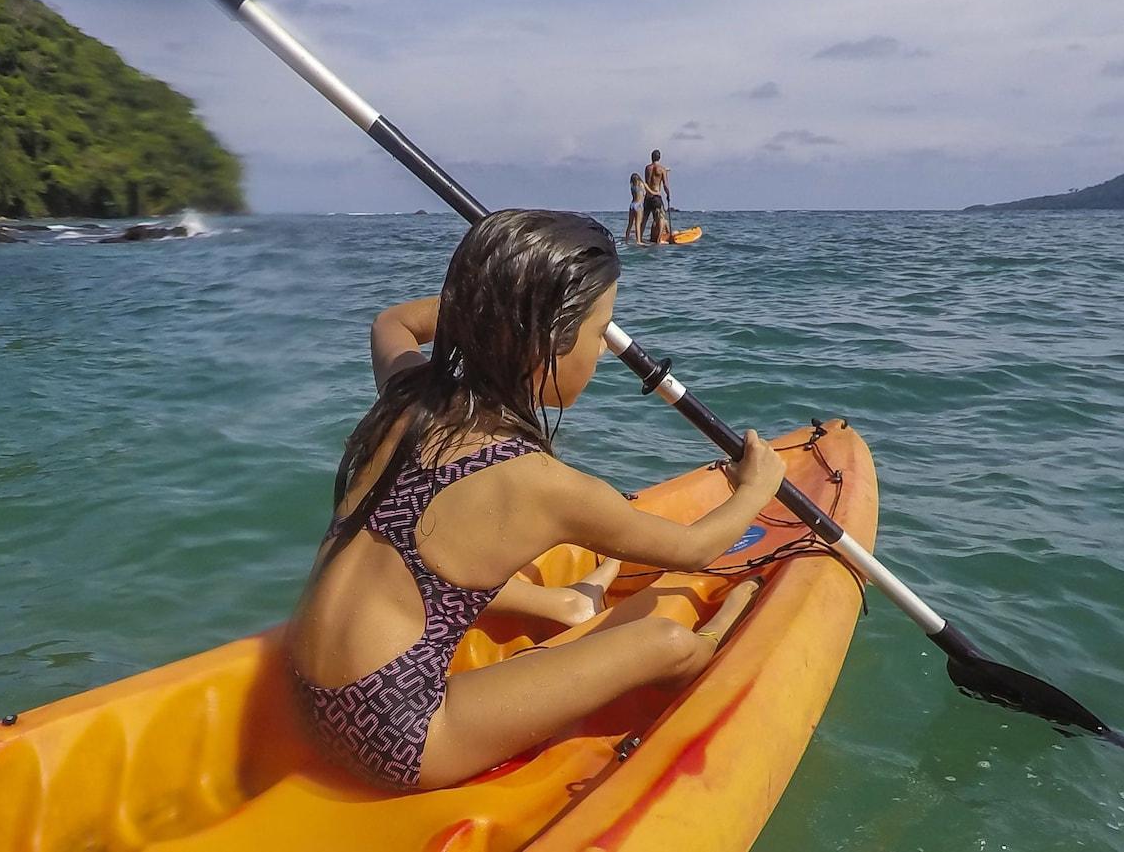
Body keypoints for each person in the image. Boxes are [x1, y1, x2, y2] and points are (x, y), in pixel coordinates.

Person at [287, 209, 783, 790]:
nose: (601, 353)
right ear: (547, 341)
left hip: (301, 690)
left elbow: (392, 321)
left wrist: (493, 310)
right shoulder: (537, 482)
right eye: (599, 334)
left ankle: (568, 606)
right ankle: (709, 644)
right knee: (664, 641)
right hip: (394, 739)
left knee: (447, 554)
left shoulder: (407, 395)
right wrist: (756, 486)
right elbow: (695, 548)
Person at [641, 149, 671, 244]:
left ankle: (640, 237)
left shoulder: (647, 168)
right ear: (659, 157)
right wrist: (668, 194)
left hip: (647, 197)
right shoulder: (662, 169)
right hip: (656, 196)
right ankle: (658, 239)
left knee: (644, 218)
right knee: (661, 218)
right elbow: (665, 184)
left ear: (652, 157)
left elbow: (648, 180)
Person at [623, 172, 644, 244]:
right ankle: (638, 241)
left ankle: (626, 240)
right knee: (638, 224)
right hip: (638, 205)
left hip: (632, 204)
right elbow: (647, 192)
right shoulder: (641, 184)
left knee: (630, 224)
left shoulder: (632, 187)